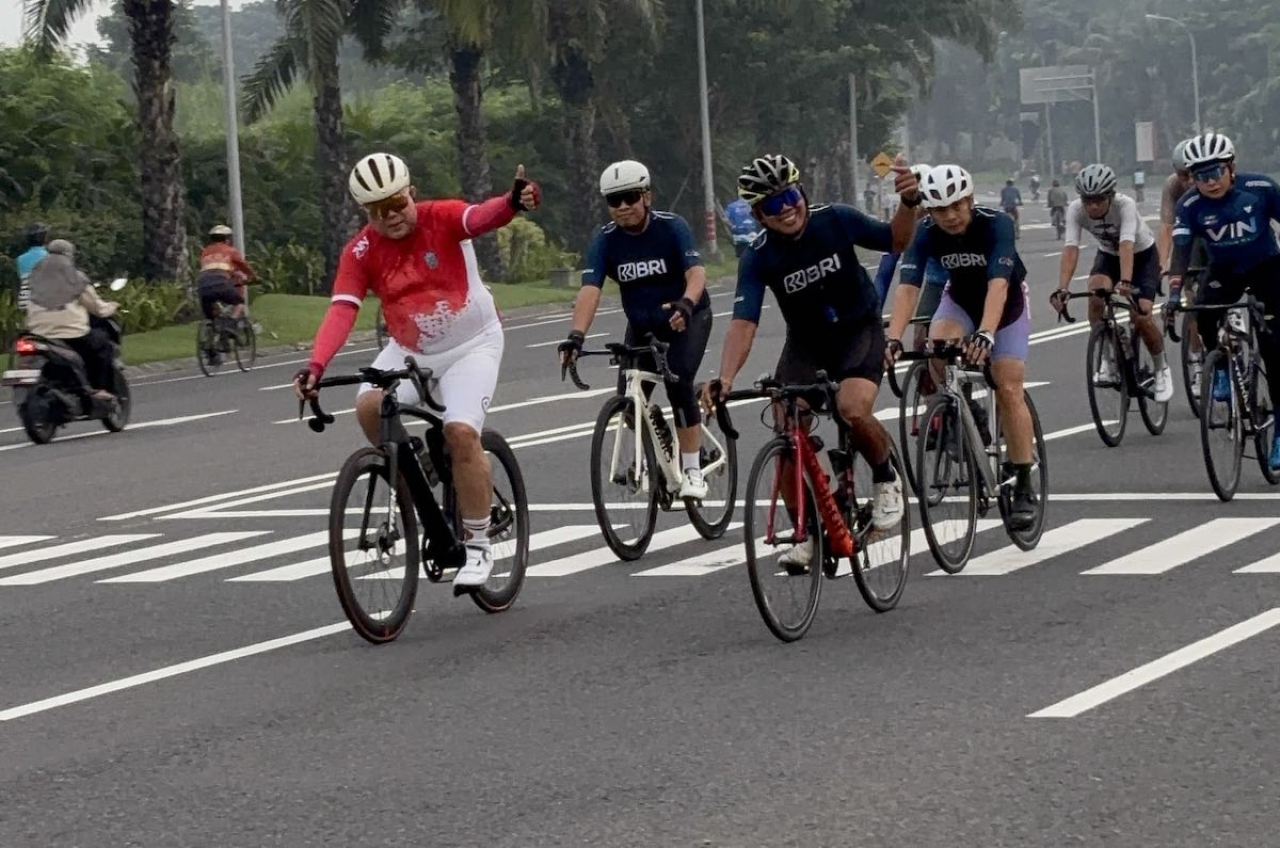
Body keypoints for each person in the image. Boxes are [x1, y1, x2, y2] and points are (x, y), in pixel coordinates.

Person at [293, 152, 541, 590]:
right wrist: (315, 365)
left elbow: (481, 217)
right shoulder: (361, 251)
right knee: (370, 406)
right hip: (411, 349)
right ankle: (420, 467)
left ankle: (479, 545)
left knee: (461, 433)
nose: (391, 216)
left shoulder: (440, 216)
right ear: (365, 213)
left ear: (412, 193)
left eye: (397, 203)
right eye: (377, 211)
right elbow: (341, 311)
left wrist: (513, 202)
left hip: (471, 345)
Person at [701, 152, 921, 564]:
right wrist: (725, 378)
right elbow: (743, 323)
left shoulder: (835, 219)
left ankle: (887, 478)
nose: (787, 210)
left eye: (790, 196)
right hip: (807, 343)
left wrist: (909, 204)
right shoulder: (758, 256)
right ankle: (807, 530)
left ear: (802, 191)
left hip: (858, 329)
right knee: (786, 430)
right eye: (772, 205)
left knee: (852, 408)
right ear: (758, 214)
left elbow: (896, 240)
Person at [884, 164, 1037, 528]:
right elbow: (908, 287)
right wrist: (893, 337)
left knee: (1008, 384)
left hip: (1006, 303)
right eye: (939, 210)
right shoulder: (924, 232)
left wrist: (985, 333)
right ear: (929, 211)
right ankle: (968, 413)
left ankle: (1024, 484)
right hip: (960, 299)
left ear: (969, 200)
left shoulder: (996, 223)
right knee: (937, 349)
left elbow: (999, 286)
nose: (949, 216)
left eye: (956, 206)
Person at [559, 160, 712, 500]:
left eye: (630, 197)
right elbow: (590, 289)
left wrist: (686, 303)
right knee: (630, 405)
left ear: (646, 196)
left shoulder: (673, 227)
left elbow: (696, 273)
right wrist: (576, 335)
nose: (624, 206)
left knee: (679, 382)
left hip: (687, 317)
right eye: (615, 201)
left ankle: (692, 469)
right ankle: (662, 440)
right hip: (643, 325)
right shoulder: (605, 240)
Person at [1165, 131, 1280, 468]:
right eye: (1201, 176)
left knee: (1276, 353)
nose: (1210, 182)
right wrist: (1173, 294)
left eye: (1216, 173)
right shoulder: (1189, 205)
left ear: (1232, 168)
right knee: (1203, 314)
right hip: (1224, 270)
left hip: (1266, 268)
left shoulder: (1260, 189)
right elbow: (1181, 253)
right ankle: (1219, 370)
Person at [1048, 163, 1173, 402]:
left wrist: (1126, 281)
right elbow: (1070, 249)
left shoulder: (1125, 205)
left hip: (1142, 255)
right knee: (1095, 294)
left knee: (1142, 315)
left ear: (1111, 195)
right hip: (1108, 255)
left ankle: (1161, 368)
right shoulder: (1076, 210)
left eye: (1098, 199)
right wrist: (1062, 287)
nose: (1092, 205)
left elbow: (1127, 245)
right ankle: (1107, 359)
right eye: (1087, 200)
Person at [23, 239, 119, 400]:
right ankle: (101, 388)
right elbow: (97, 308)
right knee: (102, 345)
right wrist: (112, 306)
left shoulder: (33, 277)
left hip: (38, 333)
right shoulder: (75, 277)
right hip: (70, 333)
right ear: (69, 255)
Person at [1158, 139, 1208, 399]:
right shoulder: (1172, 188)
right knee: (1192, 302)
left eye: (1193, 174)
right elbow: (1167, 227)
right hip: (1189, 238)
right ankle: (1197, 359)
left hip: (1214, 238)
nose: (1189, 181)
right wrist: (1162, 263)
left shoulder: (1214, 181)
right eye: (1182, 175)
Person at [198, 224, 255, 322]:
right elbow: (243, 266)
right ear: (227, 239)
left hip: (203, 285)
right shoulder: (230, 250)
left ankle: (211, 329)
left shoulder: (205, 252)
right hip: (221, 283)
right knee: (239, 303)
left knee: (211, 313)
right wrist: (254, 277)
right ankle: (231, 324)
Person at [15, 222, 50, 313]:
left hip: (24, 301)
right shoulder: (49, 257)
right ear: (44, 238)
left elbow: (20, 282)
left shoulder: (20, 259)